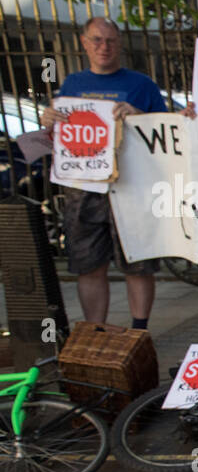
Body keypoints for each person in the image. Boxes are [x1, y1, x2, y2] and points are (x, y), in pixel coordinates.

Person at [38, 17, 168, 328]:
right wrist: (49, 119)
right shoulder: (72, 85)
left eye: (109, 40)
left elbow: (166, 134)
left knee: (137, 264)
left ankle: (138, 332)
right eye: (96, 40)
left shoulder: (142, 85)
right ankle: (95, 331)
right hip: (84, 188)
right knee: (88, 265)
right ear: (84, 43)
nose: (103, 47)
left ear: (119, 44)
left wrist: (140, 117)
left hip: (132, 186)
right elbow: (58, 138)